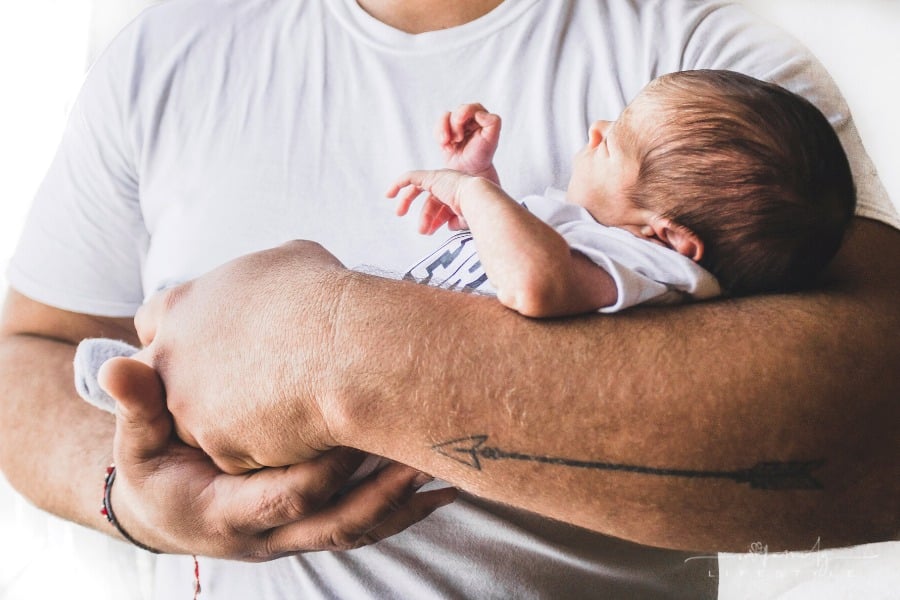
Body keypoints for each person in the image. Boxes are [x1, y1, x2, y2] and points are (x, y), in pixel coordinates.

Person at [1, 1, 897, 599]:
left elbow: (877, 413)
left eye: (613, 142)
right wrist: (133, 502)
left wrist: (327, 346)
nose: (598, 134)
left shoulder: (720, 87)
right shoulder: (163, 52)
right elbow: (26, 351)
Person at [388, 70, 855, 316]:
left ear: (665, 236)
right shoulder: (601, 238)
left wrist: (470, 192)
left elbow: (533, 284)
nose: (597, 128)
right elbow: (508, 255)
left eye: (612, 144)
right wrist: (482, 180)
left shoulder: (652, 269)